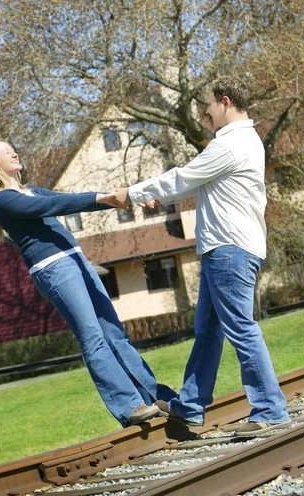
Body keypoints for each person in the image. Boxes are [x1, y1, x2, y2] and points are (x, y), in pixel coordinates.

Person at [102, 77, 290, 434]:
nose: (205, 111)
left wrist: (133, 194)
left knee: (240, 329)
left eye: (208, 105)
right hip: (223, 250)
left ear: (225, 102)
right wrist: (160, 195)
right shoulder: (242, 141)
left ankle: (270, 408)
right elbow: (194, 182)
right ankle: (189, 406)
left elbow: (183, 177)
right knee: (207, 331)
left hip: (229, 251)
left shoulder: (232, 144)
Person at [0, 138, 175, 428]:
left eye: (12, 147)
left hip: (77, 260)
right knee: (93, 337)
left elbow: (69, 198)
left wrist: (124, 198)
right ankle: (129, 406)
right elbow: (55, 204)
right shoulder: (2, 200)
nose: (13, 151)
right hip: (54, 268)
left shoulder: (29, 191)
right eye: (4, 151)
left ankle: (153, 396)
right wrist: (103, 198)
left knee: (114, 333)